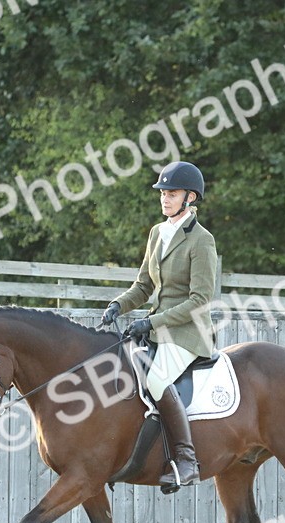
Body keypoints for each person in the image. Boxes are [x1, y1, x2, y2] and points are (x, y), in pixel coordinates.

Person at [101, 161, 218, 493]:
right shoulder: (157, 233)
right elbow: (143, 286)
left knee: (155, 378)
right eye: (163, 193)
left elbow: (200, 299)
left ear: (190, 198)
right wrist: (117, 305)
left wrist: (151, 321)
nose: (165, 199)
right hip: (154, 330)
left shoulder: (201, 241)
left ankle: (185, 459)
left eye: (173, 194)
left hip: (187, 333)